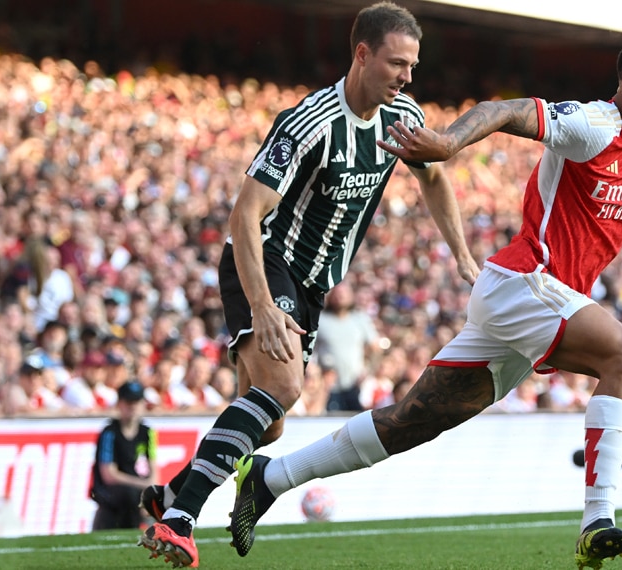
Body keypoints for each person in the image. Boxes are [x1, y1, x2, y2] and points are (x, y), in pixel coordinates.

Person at [226, 33, 622, 569]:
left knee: (412, 422)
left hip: (537, 303)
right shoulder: (594, 125)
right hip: (525, 282)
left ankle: (270, 480)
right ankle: (597, 521)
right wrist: (449, 143)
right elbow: (507, 110)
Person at [137, 2, 478, 567]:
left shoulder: (403, 116)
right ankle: (180, 520)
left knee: (266, 425)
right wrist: (263, 305)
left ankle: (165, 495)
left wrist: (462, 254)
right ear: (362, 54)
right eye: (397, 63)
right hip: (266, 261)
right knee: (286, 386)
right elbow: (245, 214)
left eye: (413, 66)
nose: (407, 76)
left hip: (315, 283)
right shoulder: (309, 122)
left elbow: (435, 176)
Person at [90, 381, 157, 530]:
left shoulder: (147, 432)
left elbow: (154, 471)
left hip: (135, 486)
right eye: (128, 402)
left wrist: (150, 490)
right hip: (110, 490)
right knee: (130, 495)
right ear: (119, 404)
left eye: (136, 401)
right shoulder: (110, 432)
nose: (132, 406)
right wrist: (143, 485)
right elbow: (109, 475)